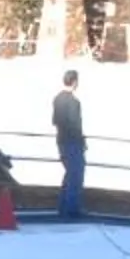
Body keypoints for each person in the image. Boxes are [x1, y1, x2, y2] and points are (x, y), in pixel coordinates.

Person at [53, 68, 88, 220]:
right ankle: (72, 209)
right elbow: (75, 125)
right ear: (74, 82)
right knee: (76, 174)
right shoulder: (74, 102)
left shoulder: (57, 99)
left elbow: (55, 120)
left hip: (61, 140)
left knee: (69, 173)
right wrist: (81, 141)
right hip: (72, 142)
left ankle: (63, 206)